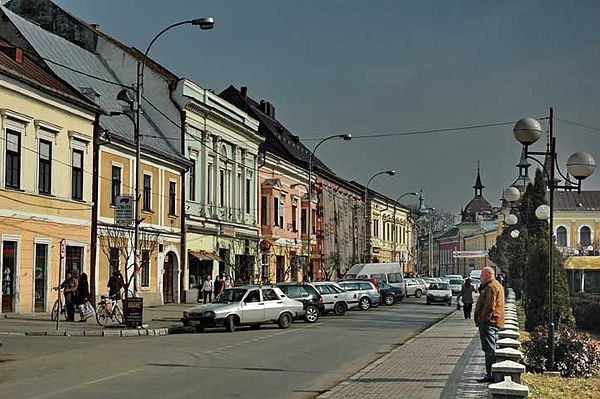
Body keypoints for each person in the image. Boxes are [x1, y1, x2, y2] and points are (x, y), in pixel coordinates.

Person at [474, 266, 505, 383]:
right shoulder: (497, 285)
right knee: (492, 348)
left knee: (489, 349)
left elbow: (489, 307)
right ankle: (492, 373)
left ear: (487, 275)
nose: (480, 278)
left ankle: (490, 374)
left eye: (482, 275)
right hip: (495, 322)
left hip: (489, 323)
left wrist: (481, 320)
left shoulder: (491, 287)